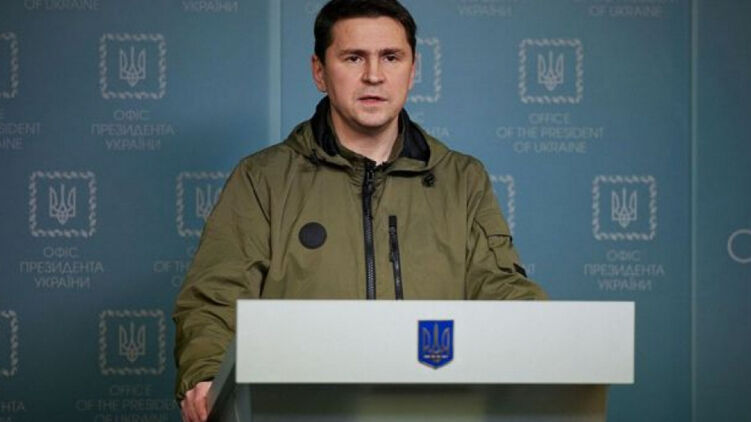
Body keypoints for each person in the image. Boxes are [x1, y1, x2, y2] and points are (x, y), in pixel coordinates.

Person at [174, 0, 547, 420]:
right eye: (353, 58)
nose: (374, 75)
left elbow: (501, 290)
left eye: (391, 57)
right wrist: (207, 372)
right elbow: (215, 297)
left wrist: (550, 343)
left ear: (413, 69)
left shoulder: (462, 179)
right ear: (319, 71)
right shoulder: (263, 179)